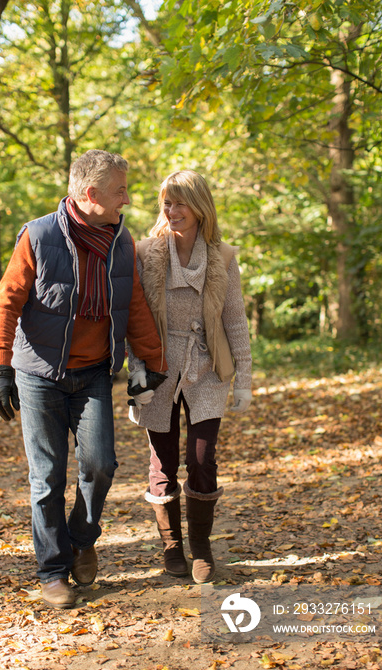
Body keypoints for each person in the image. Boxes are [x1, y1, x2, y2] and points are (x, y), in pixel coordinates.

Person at [0, 149, 166, 609]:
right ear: (91, 194)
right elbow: (6, 303)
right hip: (39, 376)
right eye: (119, 191)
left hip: (93, 376)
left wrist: (152, 362)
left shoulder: (120, 242)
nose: (126, 198)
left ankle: (83, 539)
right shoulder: (39, 236)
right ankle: (52, 571)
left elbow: (135, 305)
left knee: (101, 464)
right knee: (46, 477)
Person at [128, 170, 252, 584]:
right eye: (167, 202)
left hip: (207, 369)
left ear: (200, 208)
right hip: (160, 370)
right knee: (162, 461)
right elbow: (134, 319)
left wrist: (245, 381)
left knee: (201, 459)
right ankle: (171, 549)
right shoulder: (146, 253)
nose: (172, 210)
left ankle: (200, 546)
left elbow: (235, 321)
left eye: (180, 202)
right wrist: (137, 380)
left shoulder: (224, 258)